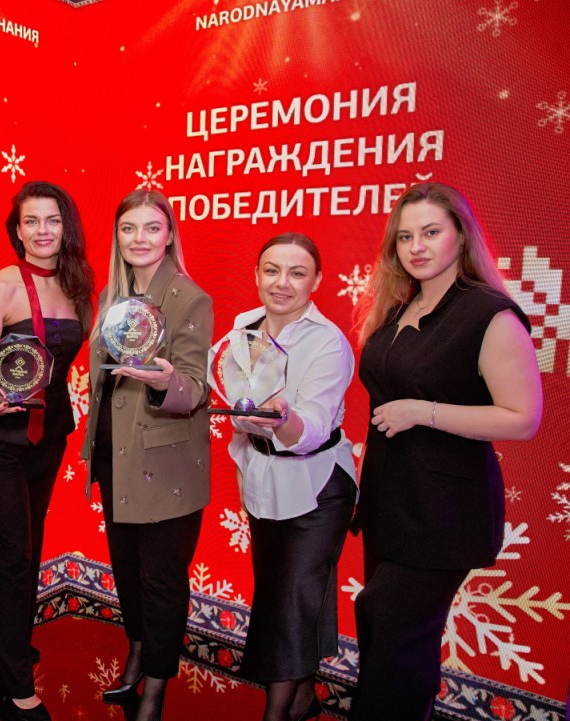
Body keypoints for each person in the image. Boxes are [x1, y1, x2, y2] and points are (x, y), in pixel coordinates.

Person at [350, 182, 542, 720]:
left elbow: (523, 418)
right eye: (405, 236)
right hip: (390, 503)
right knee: (389, 638)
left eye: (431, 232)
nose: (417, 247)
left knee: (392, 640)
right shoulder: (399, 309)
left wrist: (424, 411)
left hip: (443, 513)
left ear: (461, 235)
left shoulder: (489, 314)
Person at [0, 181, 94, 721]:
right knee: (12, 556)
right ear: (17, 230)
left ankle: (4, 648)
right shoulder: (3, 285)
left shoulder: (79, 284)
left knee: (28, 550)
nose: (42, 231)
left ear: (66, 228)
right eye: (31, 221)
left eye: (52, 220)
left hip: (49, 437)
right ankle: (15, 685)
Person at [80, 190, 213, 721]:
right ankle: (136, 651)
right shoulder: (112, 295)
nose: (139, 238)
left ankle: (155, 688)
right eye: (128, 228)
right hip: (115, 455)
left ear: (170, 235)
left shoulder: (189, 298)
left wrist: (165, 382)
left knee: (162, 582)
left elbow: (196, 387)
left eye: (152, 228)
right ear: (117, 236)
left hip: (165, 463)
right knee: (128, 571)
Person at [221, 233, 357, 721]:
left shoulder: (329, 342)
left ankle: (276, 714)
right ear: (256, 275)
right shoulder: (241, 330)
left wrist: (284, 420)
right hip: (262, 481)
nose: (282, 283)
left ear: (316, 281)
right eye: (272, 270)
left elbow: (313, 427)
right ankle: (302, 697)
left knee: (294, 598)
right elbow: (231, 399)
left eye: (297, 273)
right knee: (279, 592)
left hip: (319, 485)